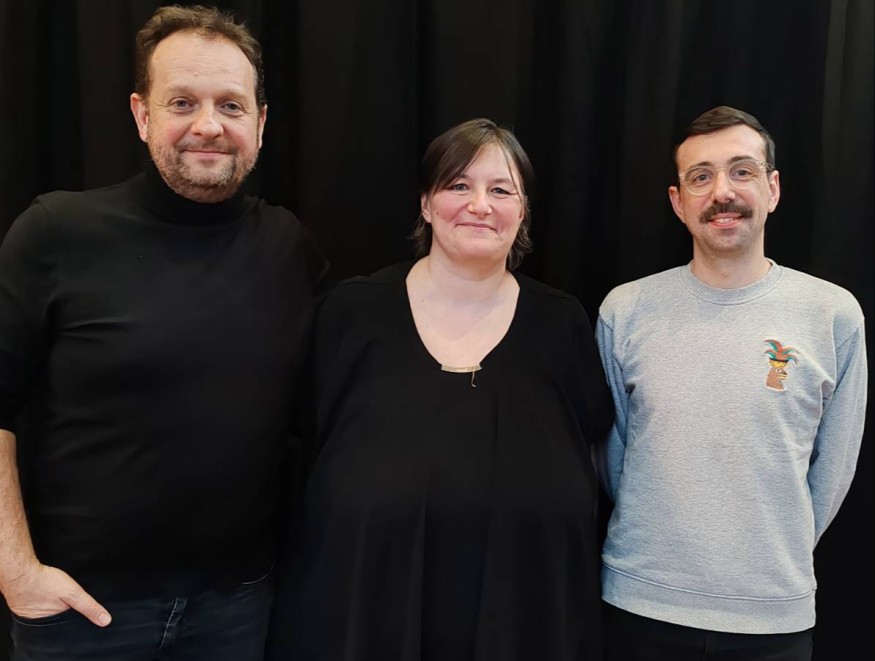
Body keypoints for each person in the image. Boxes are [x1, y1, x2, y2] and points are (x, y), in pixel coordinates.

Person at [0, 5, 327, 660]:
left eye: (230, 105)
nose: (208, 125)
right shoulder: (56, 233)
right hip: (82, 614)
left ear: (260, 124)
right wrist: (16, 571)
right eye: (182, 102)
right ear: (141, 114)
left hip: (238, 609)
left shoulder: (288, 248)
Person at [265, 118, 614, 660]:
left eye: (501, 190)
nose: (480, 205)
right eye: (458, 185)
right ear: (426, 203)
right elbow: (301, 448)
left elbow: (595, 449)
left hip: (523, 618)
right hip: (366, 613)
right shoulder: (352, 313)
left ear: (523, 211)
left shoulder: (561, 324)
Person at [595, 105, 867, 660]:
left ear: (773, 189)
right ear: (678, 202)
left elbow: (834, 467)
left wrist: (771, 551)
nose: (723, 192)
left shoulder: (833, 315)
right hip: (639, 605)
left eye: (742, 171)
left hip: (774, 616)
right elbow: (611, 450)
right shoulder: (625, 311)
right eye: (701, 177)